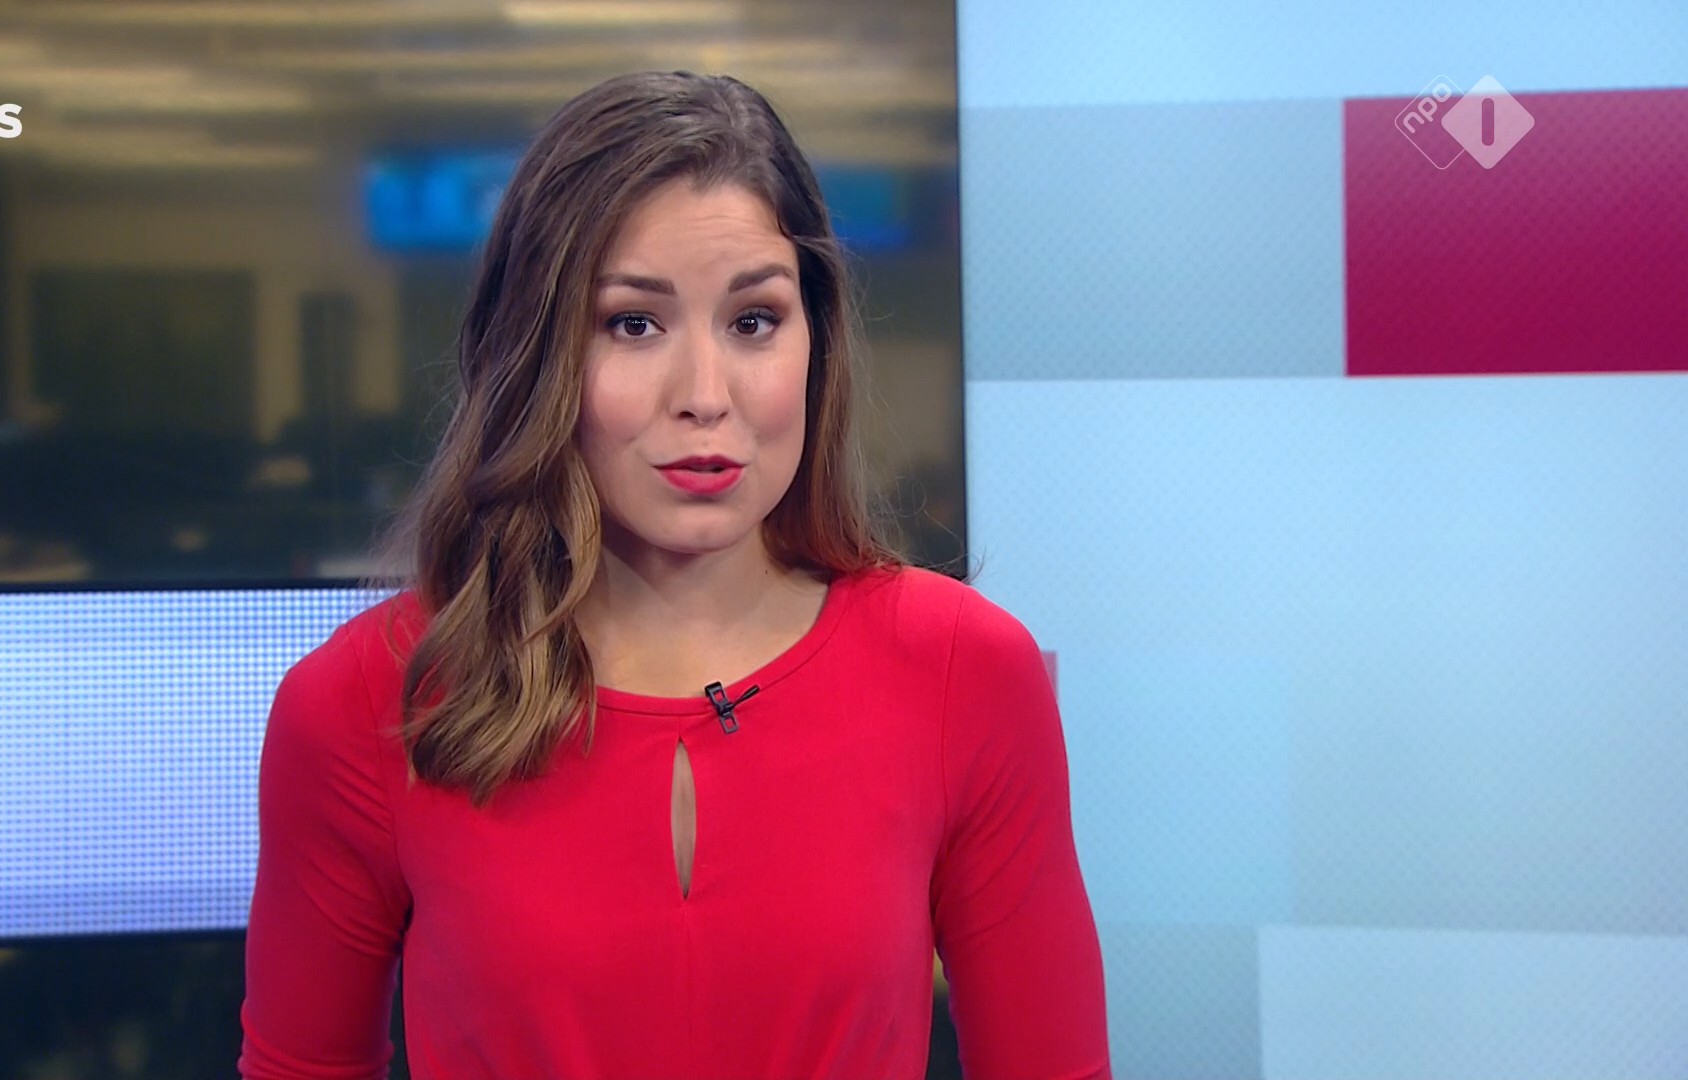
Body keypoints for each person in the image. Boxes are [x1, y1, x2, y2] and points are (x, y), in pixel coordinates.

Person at [238, 70, 1109, 1080]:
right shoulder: (367, 701)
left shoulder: (963, 670)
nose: (705, 395)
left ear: (817, 341)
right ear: (537, 354)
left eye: (754, 321)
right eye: (634, 324)